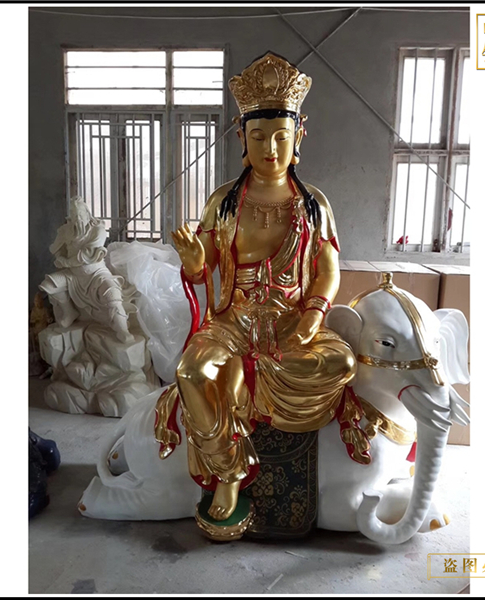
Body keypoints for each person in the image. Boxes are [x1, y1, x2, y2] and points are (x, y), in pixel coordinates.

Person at [157, 52, 356, 523]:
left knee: (343, 362)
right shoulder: (223, 202)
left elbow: (328, 269)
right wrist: (194, 261)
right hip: (234, 321)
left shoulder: (314, 205)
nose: (270, 148)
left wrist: (312, 318)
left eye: (281, 137)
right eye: (259, 136)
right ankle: (228, 469)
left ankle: (261, 400)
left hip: (291, 322)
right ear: (242, 139)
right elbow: (203, 269)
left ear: (298, 137)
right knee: (191, 372)